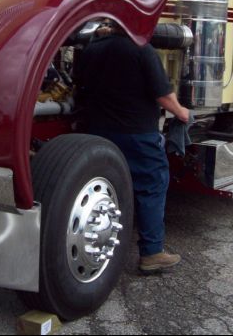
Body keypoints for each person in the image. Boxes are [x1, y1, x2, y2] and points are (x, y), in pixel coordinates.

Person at [74, 18, 190, 274]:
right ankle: (152, 253)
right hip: (137, 135)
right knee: (151, 186)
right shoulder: (141, 49)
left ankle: (105, 243)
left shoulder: (91, 49)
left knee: (110, 188)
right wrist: (181, 113)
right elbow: (162, 93)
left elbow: (79, 86)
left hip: (98, 132)